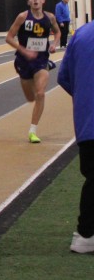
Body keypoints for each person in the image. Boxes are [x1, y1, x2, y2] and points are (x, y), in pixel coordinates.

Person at [5, 0, 59, 143]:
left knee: (40, 94)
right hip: (23, 61)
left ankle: (33, 131)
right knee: (30, 98)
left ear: (43, 0)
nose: (35, 0)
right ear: (28, 2)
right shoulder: (22, 17)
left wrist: (54, 44)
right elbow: (9, 38)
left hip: (41, 60)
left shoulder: (50, 17)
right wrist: (24, 50)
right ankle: (24, 79)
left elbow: (58, 32)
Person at [58, 22, 94, 253]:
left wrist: (85, 99)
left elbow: (64, 77)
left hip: (87, 122)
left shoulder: (81, 34)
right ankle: (86, 233)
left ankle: (86, 233)